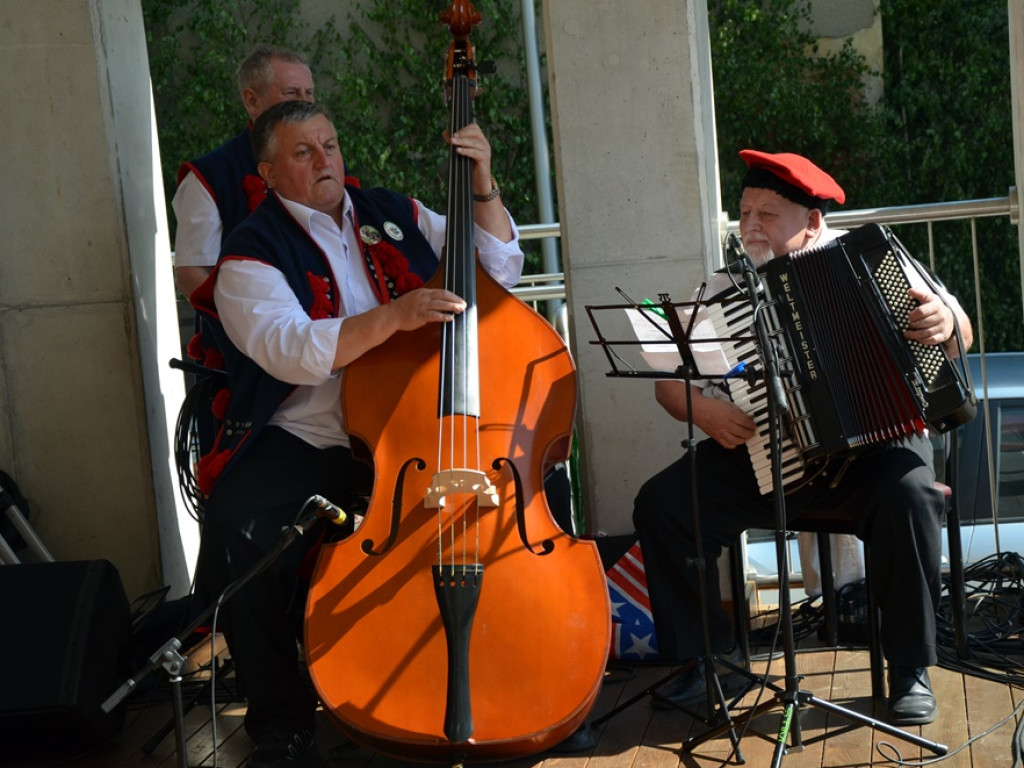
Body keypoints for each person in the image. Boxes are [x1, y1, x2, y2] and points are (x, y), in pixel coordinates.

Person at [190, 99, 523, 768]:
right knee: (238, 522)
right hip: (312, 437)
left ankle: (522, 685)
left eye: (331, 145)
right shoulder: (248, 254)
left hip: (416, 430)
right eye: (304, 153)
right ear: (268, 172)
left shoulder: (391, 212)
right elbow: (290, 348)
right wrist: (394, 317)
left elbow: (497, 266)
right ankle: (282, 720)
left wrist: (481, 183)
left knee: (531, 482)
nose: (325, 162)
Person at [632, 149, 974, 726]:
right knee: (664, 504)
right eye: (744, 212)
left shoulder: (869, 259)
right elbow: (669, 384)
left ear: (812, 222)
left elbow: (959, 327)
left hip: (873, 454)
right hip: (769, 450)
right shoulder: (721, 287)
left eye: (768, 213)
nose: (751, 226)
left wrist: (945, 320)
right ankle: (710, 658)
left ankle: (910, 666)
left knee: (912, 495)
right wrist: (706, 413)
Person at [172, 44, 316, 299]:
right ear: (252, 100)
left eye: (310, 94)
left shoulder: (328, 162)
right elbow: (192, 273)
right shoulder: (209, 176)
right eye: (292, 93)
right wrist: (249, 325)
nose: (305, 105)